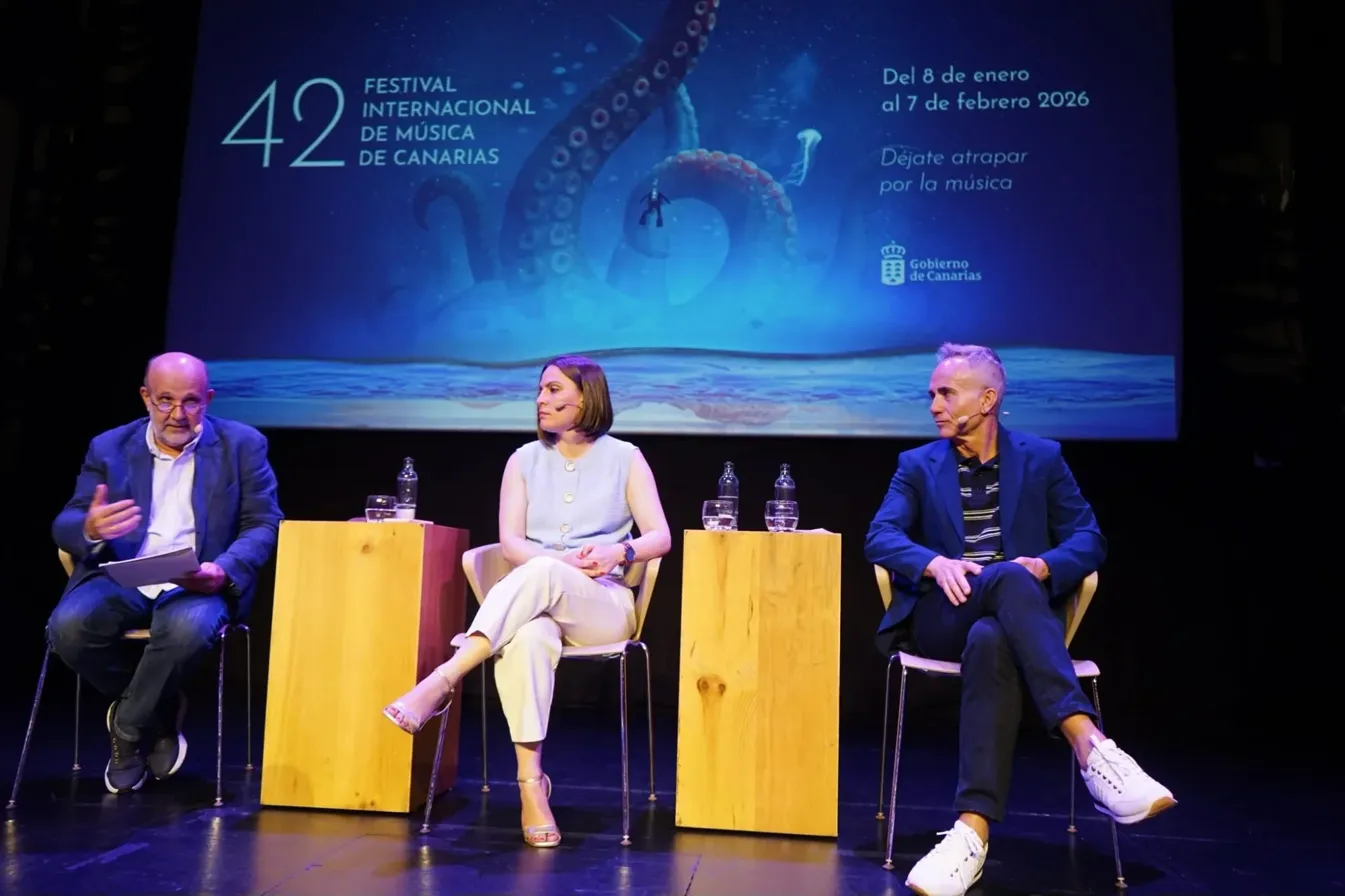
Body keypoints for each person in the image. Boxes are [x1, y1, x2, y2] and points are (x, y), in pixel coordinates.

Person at [864, 343, 1174, 896]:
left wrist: (1047, 564)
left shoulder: (1042, 458)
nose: (933, 404)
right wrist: (933, 563)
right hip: (944, 616)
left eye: (945, 392)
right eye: (930, 393)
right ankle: (1091, 746)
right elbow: (880, 536)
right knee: (1002, 583)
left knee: (994, 633)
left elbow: (1089, 538)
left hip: (1008, 627)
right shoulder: (916, 466)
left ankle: (970, 835)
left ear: (987, 399)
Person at [383, 354, 672, 849]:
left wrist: (616, 551)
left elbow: (660, 537)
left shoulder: (626, 457)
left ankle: (444, 678)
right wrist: (557, 563)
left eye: (555, 390)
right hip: (538, 604)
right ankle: (530, 784)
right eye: (539, 391)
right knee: (528, 638)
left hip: (602, 605)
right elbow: (511, 544)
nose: (541, 400)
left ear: (587, 397)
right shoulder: (522, 460)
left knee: (539, 576)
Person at [48, 352, 282, 794]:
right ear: (145, 398)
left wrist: (223, 570)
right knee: (68, 628)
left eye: (191, 402)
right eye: (165, 401)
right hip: (125, 573)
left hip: (197, 581)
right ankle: (158, 710)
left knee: (188, 627)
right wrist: (88, 527)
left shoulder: (243, 445)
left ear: (208, 399)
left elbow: (264, 523)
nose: (178, 414)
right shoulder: (109, 447)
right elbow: (65, 521)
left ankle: (129, 728)